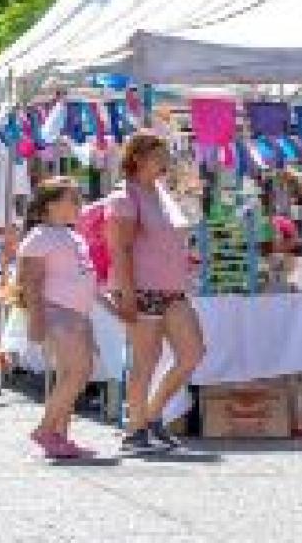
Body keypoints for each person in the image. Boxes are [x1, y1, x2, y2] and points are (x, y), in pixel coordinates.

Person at [108, 130, 203, 455]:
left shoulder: (161, 193)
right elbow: (118, 249)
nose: (165, 162)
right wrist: (126, 292)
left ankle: (151, 415)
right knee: (145, 362)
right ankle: (135, 428)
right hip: (143, 287)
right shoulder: (124, 197)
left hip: (173, 287)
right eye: (158, 155)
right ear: (138, 159)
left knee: (192, 353)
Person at [18, 177, 102, 459]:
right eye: (73, 198)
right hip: (58, 313)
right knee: (75, 374)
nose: (79, 204)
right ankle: (45, 430)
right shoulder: (41, 236)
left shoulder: (71, 234)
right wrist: (36, 320)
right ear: (51, 205)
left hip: (76, 314)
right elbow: (30, 281)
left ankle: (60, 436)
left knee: (76, 374)